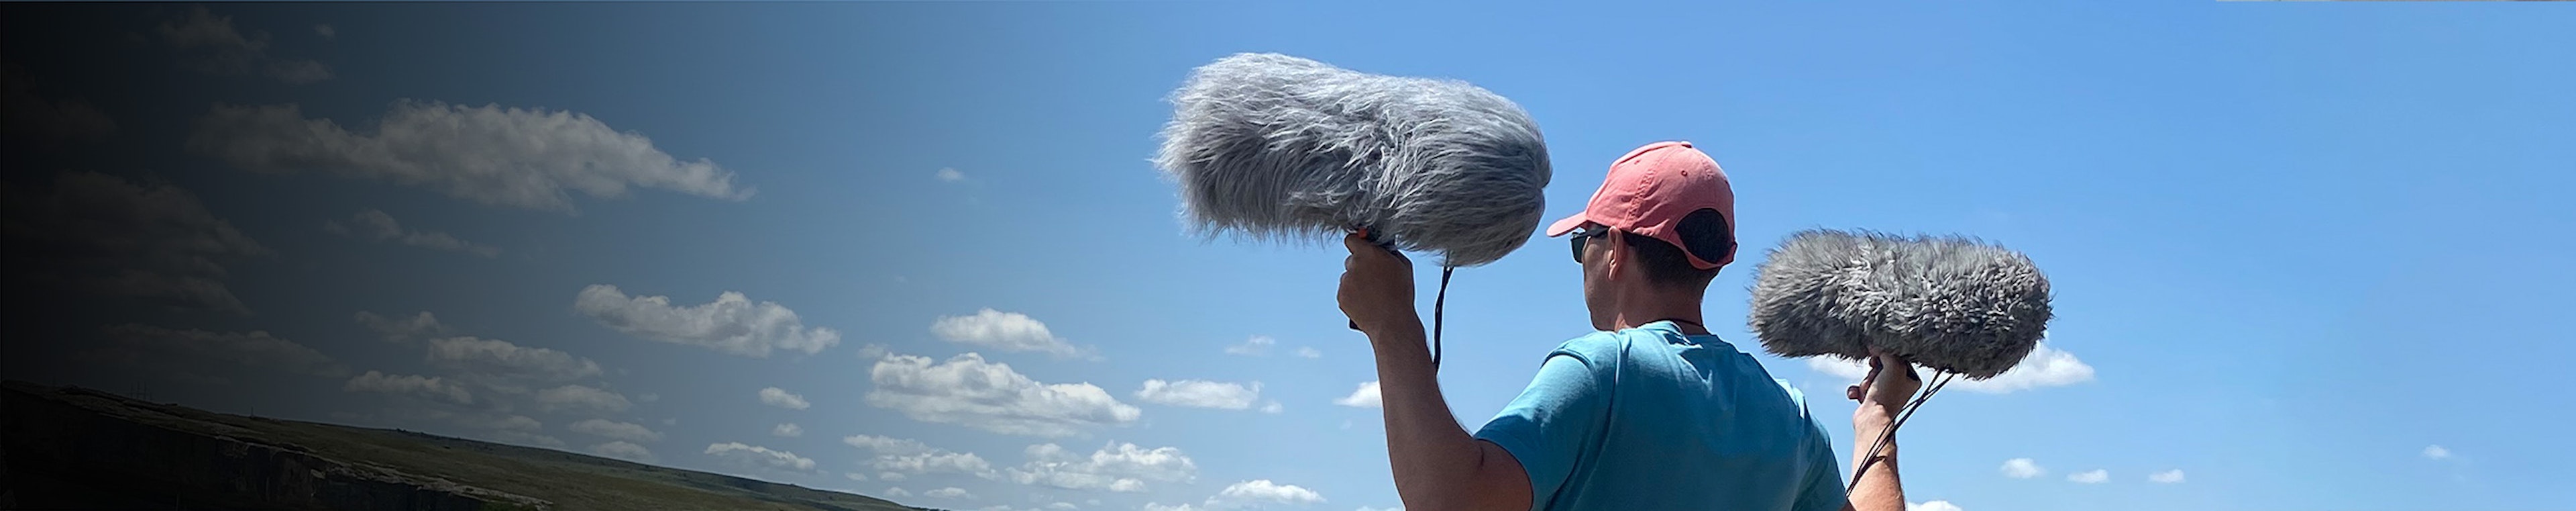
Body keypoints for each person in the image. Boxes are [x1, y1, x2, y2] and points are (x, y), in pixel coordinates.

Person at [1336, 140, 1920, 511]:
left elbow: (1453, 501)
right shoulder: (1786, 414)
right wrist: (1878, 419)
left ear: (1613, 248)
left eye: (1581, 244)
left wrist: (1394, 326)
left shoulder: (1602, 372)